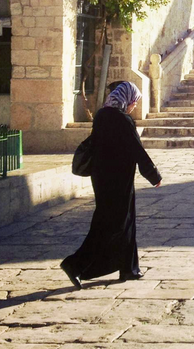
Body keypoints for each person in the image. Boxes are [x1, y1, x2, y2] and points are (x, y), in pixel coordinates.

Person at [60, 82, 162, 289]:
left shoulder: (101, 115)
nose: (133, 106)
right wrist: (153, 175)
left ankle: (129, 267)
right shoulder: (123, 120)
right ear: (127, 99)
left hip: (101, 177)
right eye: (134, 102)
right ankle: (75, 264)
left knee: (125, 221)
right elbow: (136, 149)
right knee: (111, 224)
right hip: (119, 179)